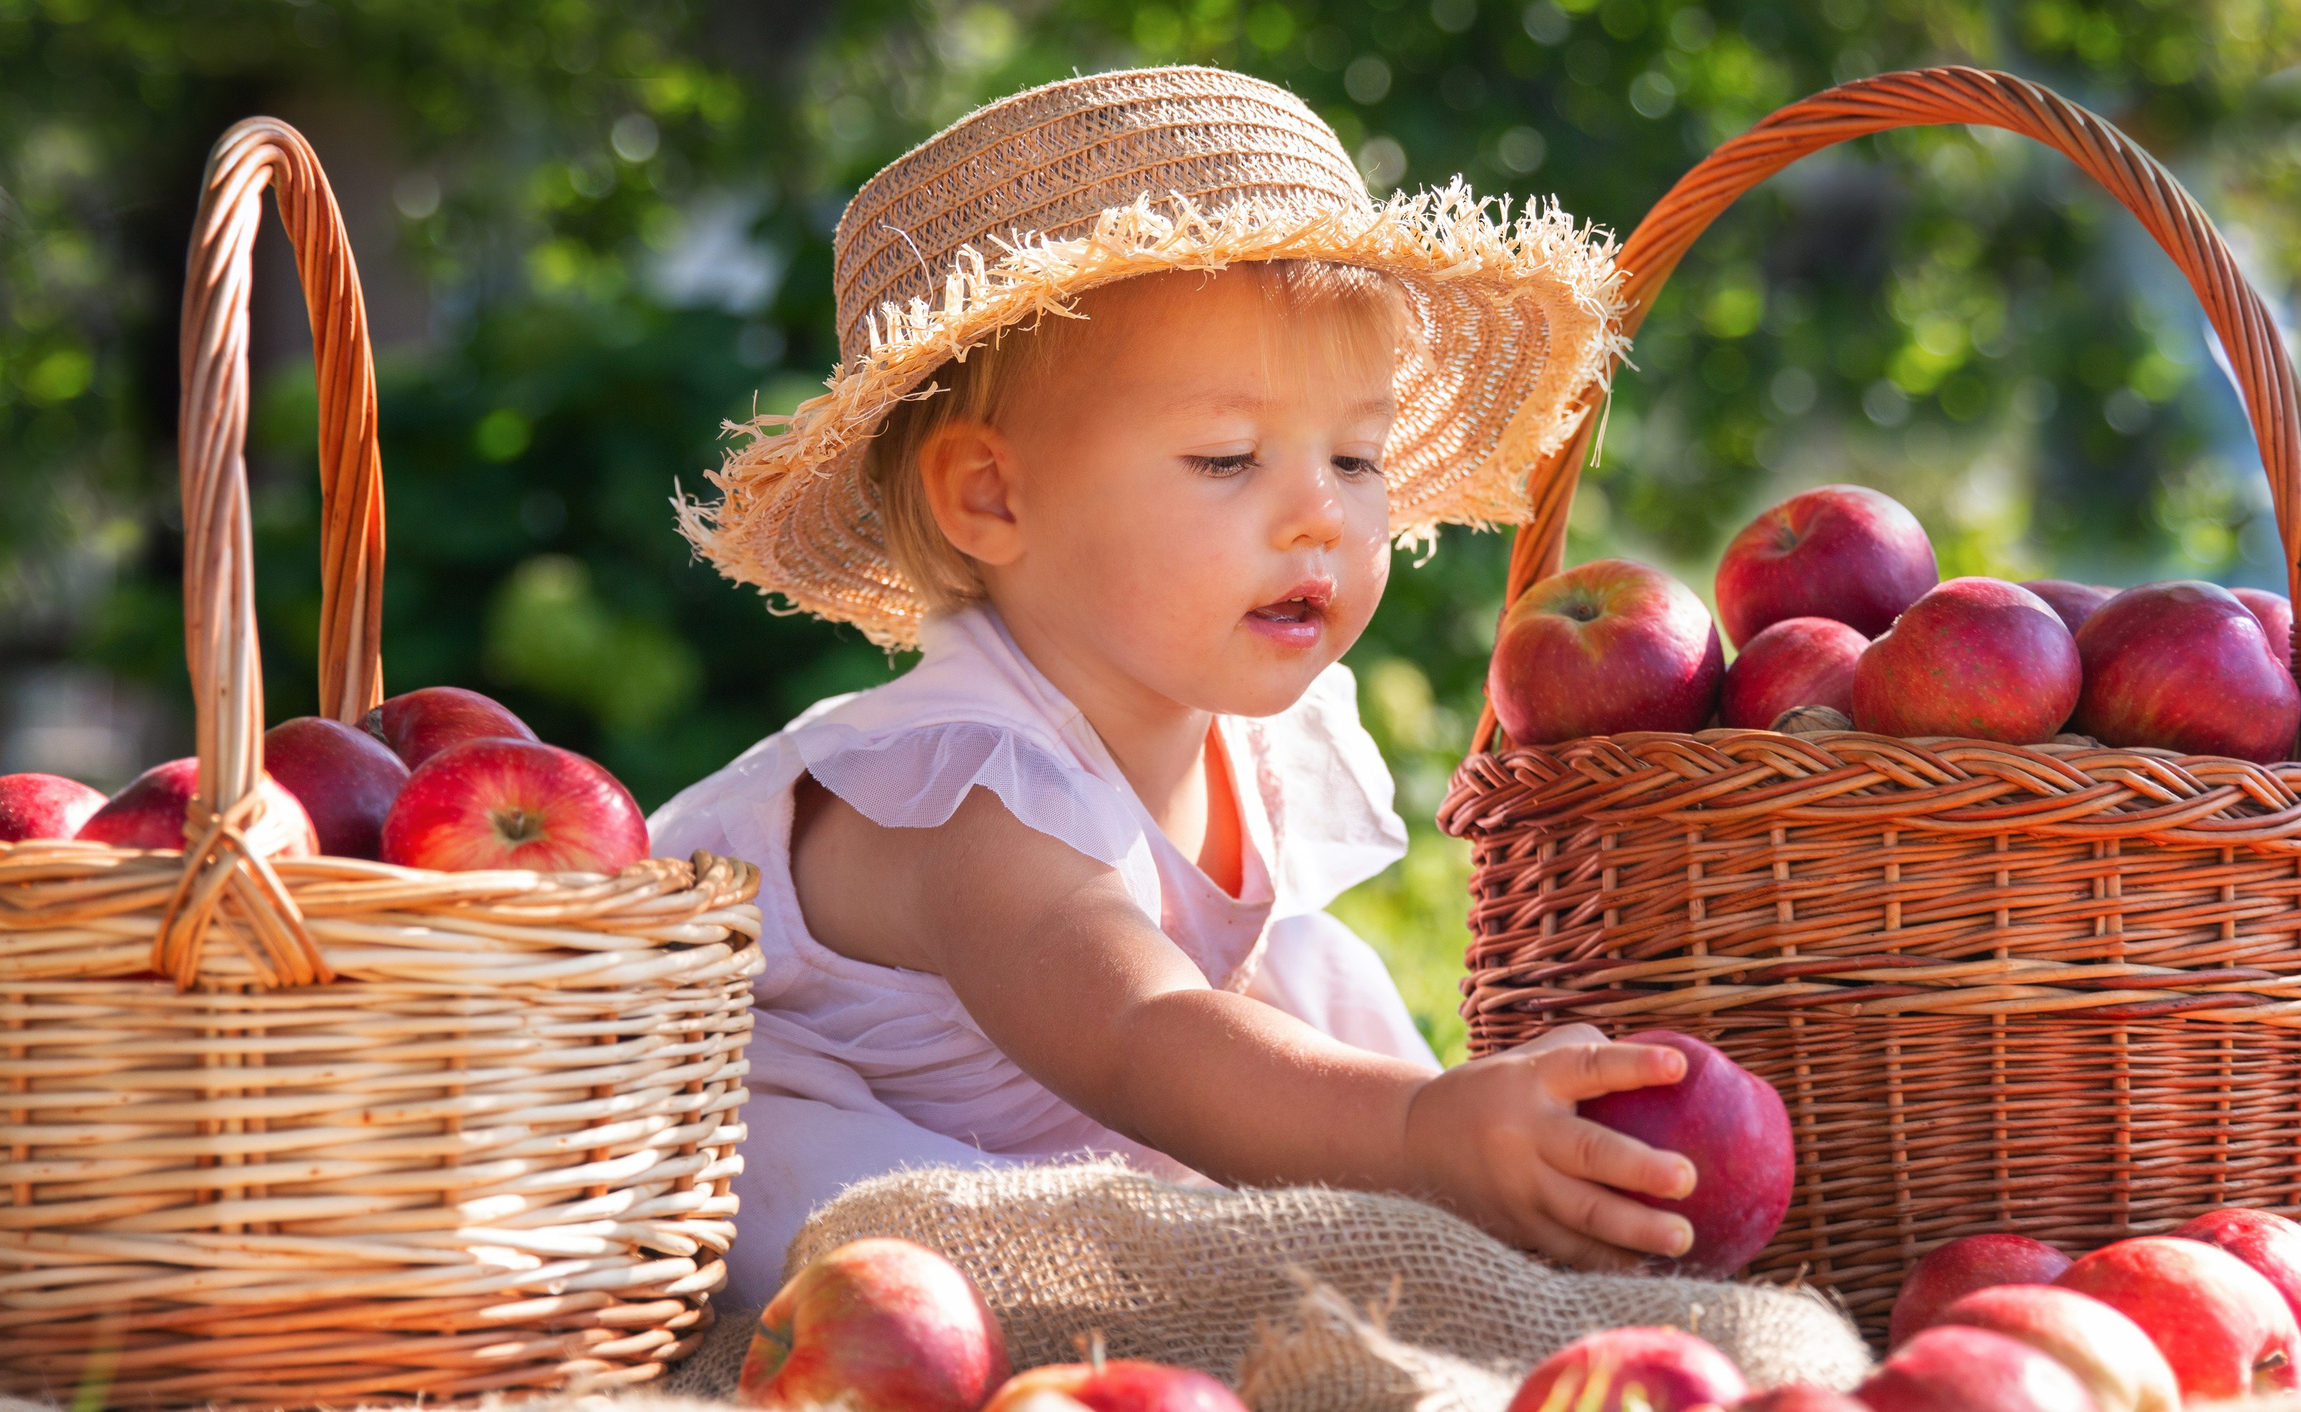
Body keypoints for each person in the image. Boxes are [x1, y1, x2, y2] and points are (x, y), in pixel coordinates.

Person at [654, 66, 1696, 1311]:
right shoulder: (967, 791)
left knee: (1314, 971)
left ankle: (1471, 1214)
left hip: (1079, 1126)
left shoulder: (1240, 735)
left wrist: (1460, 1122)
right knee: (911, 1238)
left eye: (1355, 456)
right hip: (806, 1143)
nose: (1320, 511)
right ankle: (1284, 1245)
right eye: (1226, 457)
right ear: (992, 497)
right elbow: (1142, 1036)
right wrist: (1416, 1130)